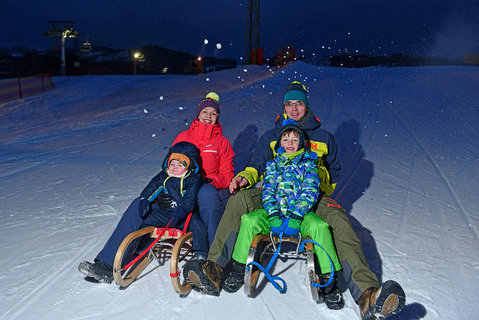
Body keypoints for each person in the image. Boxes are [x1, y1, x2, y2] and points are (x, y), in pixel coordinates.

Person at [186, 81, 405, 319]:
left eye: (298, 103)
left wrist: (314, 174)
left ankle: (367, 294)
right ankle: (214, 269)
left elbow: (333, 175)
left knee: (338, 220)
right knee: (239, 200)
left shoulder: (324, 138)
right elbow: (256, 166)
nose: (293, 108)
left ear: (306, 106)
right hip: (276, 191)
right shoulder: (272, 137)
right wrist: (243, 179)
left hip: (311, 194)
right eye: (289, 104)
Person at [222, 119, 344, 309]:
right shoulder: (273, 165)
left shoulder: (309, 164)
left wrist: (296, 215)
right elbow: (268, 191)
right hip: (276, 215)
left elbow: (310, 191)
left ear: (301, 144)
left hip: (301, 216)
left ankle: (330, 281)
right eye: (285, 139)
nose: (289, 143)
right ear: (280, 144)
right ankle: (239, 268)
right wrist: (272, 215)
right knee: (249, 220)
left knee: (320, 227)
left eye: (294, 140)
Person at [78, 141, 205, 283]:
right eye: (172, 164)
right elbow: (151, 188)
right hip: (164, 213)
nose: (174, 168)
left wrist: (183, 209)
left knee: (198, 225)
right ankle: (114, 260)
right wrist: (145, 200)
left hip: (184, 215)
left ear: (190, 166)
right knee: (142, 216)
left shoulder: (193, 179)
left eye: (180, 165)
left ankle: (201, 257)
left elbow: (191, 198)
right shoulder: (164, 176)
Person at [172, 92, 234, 251]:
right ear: (198, 114)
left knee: (206, 193)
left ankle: (213, 252)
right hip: (183, 184)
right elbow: (170, 164)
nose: (209, 116)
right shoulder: (183, 137)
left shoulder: (222, 142)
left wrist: (211, 181)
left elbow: (227, 175)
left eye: (213, 113)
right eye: (205, 112)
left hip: (207, 187)